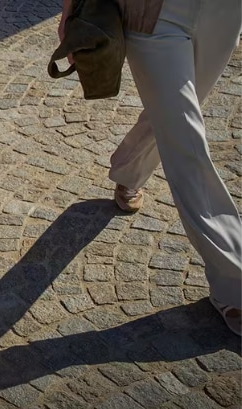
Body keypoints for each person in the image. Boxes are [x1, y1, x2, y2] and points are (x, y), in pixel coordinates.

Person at [59, 0, 242, 335]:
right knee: (187, 143)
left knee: (179, 115)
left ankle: (130, 169)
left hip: (225, 12)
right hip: (153, 15)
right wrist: (71, 9)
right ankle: (235, 282)